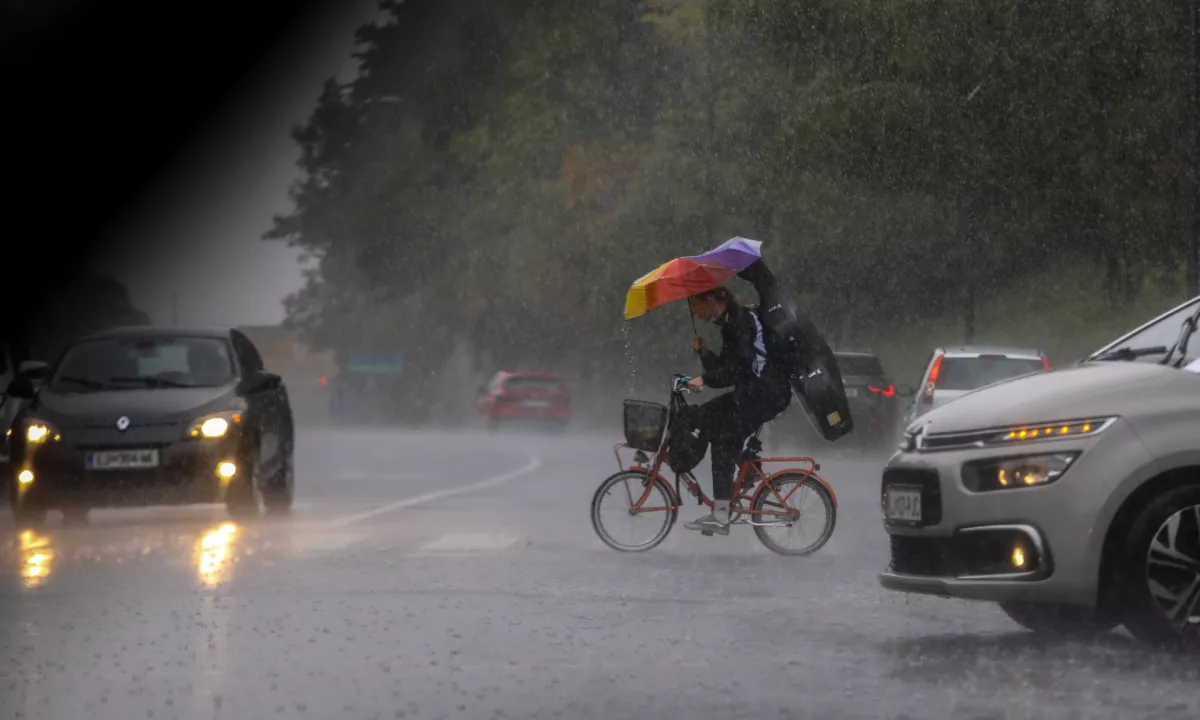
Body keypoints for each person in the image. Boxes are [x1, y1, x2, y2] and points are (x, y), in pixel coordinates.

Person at [682, 286, 792, 535]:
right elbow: (724, 367)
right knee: (707, 414)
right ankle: (748, 469)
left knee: (723, 442)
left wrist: (703, 380)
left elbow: (738, 370)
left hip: (765, 394)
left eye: (694, 304)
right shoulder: (730, 321)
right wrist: (705, 353)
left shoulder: (741, 321)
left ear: (709, 298)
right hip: (751, 392)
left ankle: (721, 516)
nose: (694, 311)